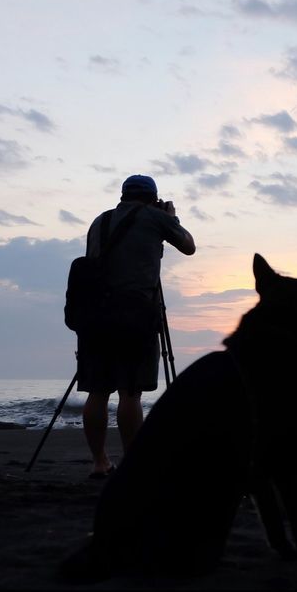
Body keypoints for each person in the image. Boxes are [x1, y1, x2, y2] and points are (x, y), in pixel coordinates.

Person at [77, 175, 196, 478]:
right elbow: (188, 246)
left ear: (124, 195)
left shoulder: (99, 221)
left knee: (98, 391)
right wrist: (171, 218)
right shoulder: (155, 217)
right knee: (130, 392)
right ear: (152, 197)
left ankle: (99, 462)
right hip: (135, 314)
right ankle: (134, 464)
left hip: (94, 316)